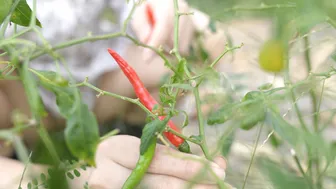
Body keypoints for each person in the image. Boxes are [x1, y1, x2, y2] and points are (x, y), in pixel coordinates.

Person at [0, 0, 228, 188]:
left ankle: (129, 115)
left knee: (206, 39)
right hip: (26, 91)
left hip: (95, 65)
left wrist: (151, 5)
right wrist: (81, 179)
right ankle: (38, 132)